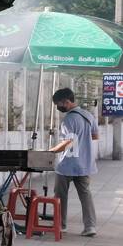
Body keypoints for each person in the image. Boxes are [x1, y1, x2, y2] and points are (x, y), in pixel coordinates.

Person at [49, 88, 98, 237]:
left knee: (60, 195)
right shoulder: (88, 115)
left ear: (67, 102)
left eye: (59, 104)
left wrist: (51, 151)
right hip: (85, 162)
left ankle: (60, 225)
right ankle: (90, 227)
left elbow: (68, 141)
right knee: (85, 195)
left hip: (67, 164)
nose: (59, 107)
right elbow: (95, 136)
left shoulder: (69, 119)